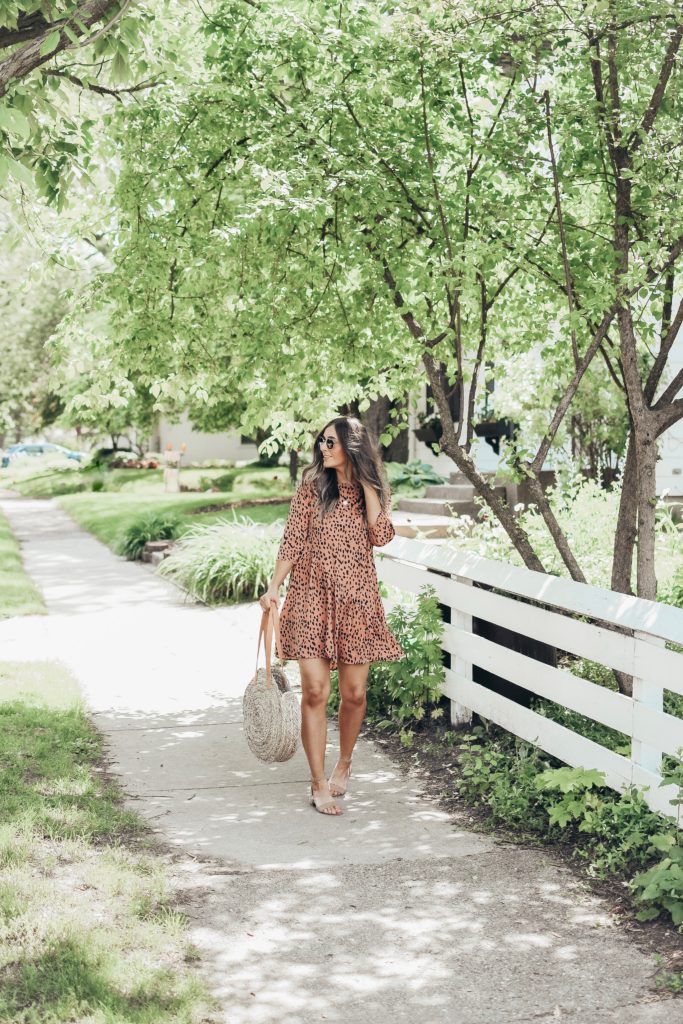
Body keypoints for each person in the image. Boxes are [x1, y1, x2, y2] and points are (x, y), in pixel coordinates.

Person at [259, 415, 404, 816]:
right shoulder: (311, 488)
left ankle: (344, 762)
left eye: (331, 443)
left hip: (357, 600)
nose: (323, 449)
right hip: (310, 596)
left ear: (351, 448)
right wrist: (274, 587)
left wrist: (370, 488)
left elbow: (381, 536)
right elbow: (291, 539)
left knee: (355, 694)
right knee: (315, 691)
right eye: (321, 442)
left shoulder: (369, 490)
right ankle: (318, 782)